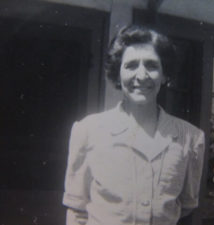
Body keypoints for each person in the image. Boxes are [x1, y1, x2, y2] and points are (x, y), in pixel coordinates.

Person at [63, 25, 205, 225]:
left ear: (165, 75)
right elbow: (77, 210)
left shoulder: (190, 138)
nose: (141, 75)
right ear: (118, 74)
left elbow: (186, 205)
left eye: (152, 65)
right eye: (131, 65)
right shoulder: (87, 131)